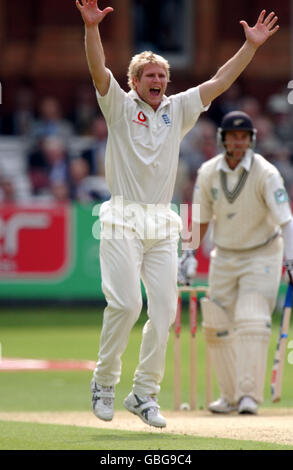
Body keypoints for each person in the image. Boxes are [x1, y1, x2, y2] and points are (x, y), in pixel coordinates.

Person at [76, 0, 279, 427]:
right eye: (150, 76)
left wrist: (251, 47)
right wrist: (92, 29)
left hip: (162, 221)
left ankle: (144, 393)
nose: (159, 81)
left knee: (165, 311)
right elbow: (98, 70)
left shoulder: (177, 109)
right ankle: (105, 381)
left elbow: (220, 81)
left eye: (163, 76)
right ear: (134, 81)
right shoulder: (118, 105)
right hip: (122, 218)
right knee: (127, 304)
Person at [179, 110, 293, 414]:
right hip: (225, 255)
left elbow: (286, 220)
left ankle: (248, 396)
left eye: (244, 137)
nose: (239, 142)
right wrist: (188, 253)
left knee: (252, 319)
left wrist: (290, 259)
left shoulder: (266, 173)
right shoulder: (208, 172)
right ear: (223, 140)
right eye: (233, 137)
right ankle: (229, 396)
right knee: (215, 324)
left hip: (262, 254)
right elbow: (200, 217)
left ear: (251, 140)